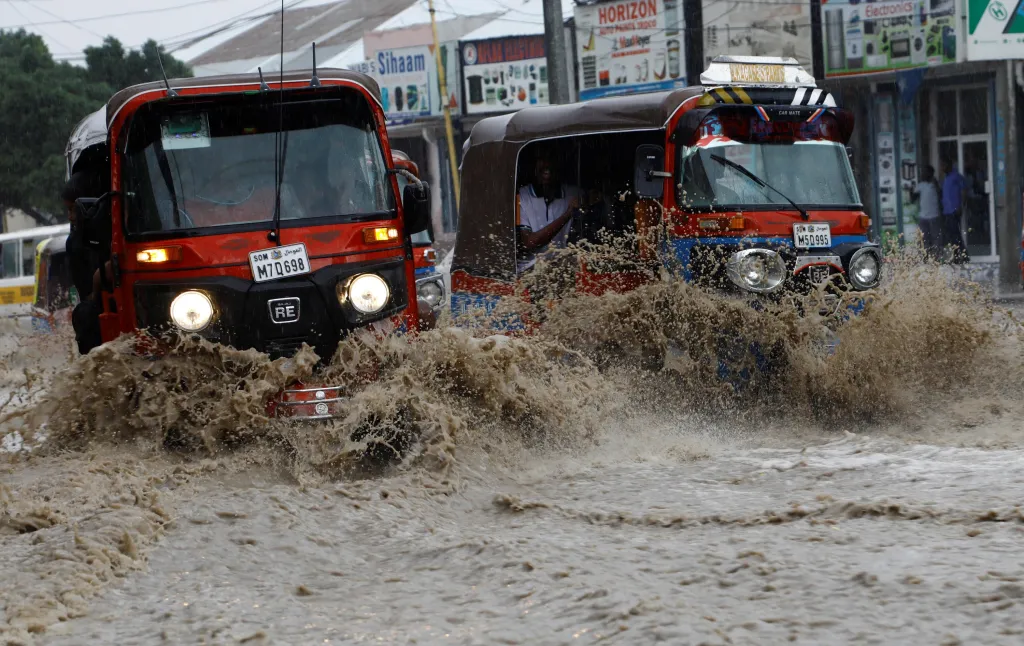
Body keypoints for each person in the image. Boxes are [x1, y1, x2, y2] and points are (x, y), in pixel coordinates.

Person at [515, 146, 583, 274]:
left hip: (560, 266)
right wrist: (567, 215)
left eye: (551, 159)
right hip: (529, 270)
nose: (547, 164)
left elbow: (597, 197)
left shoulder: (572, 193)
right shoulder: (522, 197)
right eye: (542, 159)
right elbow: (530, 241)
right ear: (534, 166)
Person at [62, 172, 107, 354]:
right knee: (84, 314)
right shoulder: (75, 243)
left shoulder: (122, 228)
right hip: (99, 309)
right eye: (68, 210)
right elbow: (86, 293)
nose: (70, 217)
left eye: (74, 209)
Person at [940, 157, 970, 263]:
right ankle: (957, 256)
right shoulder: (946, 178)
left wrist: (961, 206)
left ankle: (963, 256)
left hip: (954, 210)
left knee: (955, 235)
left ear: (949, 165)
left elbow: (964, 191)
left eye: (943, 165)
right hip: (947, 211)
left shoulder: (956, 176)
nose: (942, 167)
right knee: (951, 235)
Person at [911, 164, 942, 258]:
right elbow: (912, 199)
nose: (922, 174)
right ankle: (925, 257)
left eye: (925, 172)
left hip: (934, 215)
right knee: (924, 239)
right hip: (923, 216)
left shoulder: (935, 184)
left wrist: (936, 184)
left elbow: (941, 195)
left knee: (936, 238)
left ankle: (937, 257)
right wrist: (910, 190)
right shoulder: (920, 185)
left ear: (930, 173)